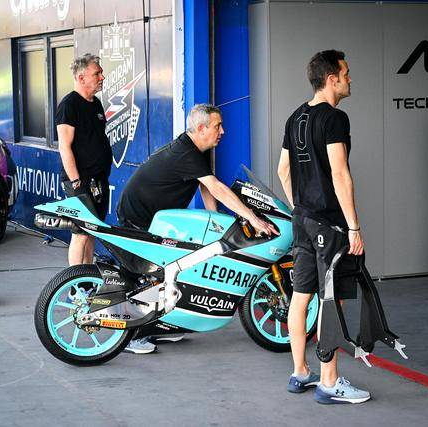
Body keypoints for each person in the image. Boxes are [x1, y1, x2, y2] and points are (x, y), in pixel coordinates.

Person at [117, 103, 278, 354]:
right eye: (217, 126)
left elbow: (204, 185)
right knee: (151, 275)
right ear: (202, 128)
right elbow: (215, 187)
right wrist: (252, 218)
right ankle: (132, 334)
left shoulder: (195, 150)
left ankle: (163, 324)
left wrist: (216, 219)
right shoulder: (187, 153)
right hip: (139, 219)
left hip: (152, 217)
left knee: (177, 268)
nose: (223, 131)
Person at [277, 50, 370, 404]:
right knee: (332, 301)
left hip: (302, 221)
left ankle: (300, 371)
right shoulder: (334, 118)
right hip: (329, 226)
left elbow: (283, 170)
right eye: (346, 73)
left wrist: (300, 207)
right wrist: (353, 227)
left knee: (301, 298)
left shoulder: (294, 117)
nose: (350, 79)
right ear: (332, 79)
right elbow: (339, 173)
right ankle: (329, 381)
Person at [56, 53, 111, 266]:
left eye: (101, 73)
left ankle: (86, 277)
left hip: (98, 179)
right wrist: (76, 182)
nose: (102, 77)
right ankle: (75, 281)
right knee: (80, 233)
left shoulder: (96, 103)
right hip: (80, 181)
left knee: (92, 231)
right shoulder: (69, 105)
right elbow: (64, 146)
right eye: (97, 73)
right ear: (81, 78)